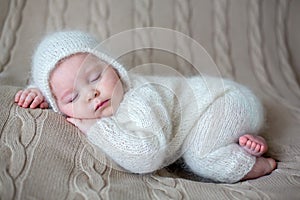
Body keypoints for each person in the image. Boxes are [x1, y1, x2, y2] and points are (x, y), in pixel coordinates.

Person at [14, 31, 276, 183]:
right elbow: (59, 84)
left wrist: (96, 128)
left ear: (115, 67)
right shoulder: (75, 95)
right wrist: (39, 92)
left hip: (224, 100)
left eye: (95, 78)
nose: (92, 93)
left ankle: (256, 164)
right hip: (217, 115)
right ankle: (238, 141)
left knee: (201, 157)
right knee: (203, 143)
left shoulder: (139, 98)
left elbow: (146, 156)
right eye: (72, 98)